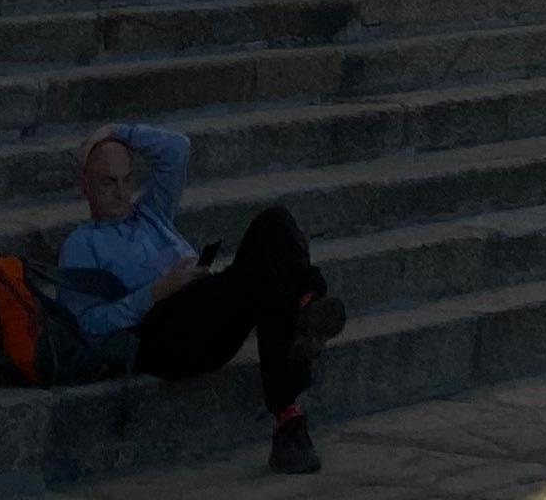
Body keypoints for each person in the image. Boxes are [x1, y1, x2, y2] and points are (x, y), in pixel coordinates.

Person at [51, 125, 346, 475]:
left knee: (275, 222)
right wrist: (158, 290)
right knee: (271, 277)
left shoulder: (151, 214)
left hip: (205, 311)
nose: (121, 193)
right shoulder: (81, 245)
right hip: (159, 334)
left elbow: (177, 148)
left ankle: (304, 316)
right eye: (107, 183)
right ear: (84, 186)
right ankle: (304, 314)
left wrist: (115, 132)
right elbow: (86, 325)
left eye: (127, 180)